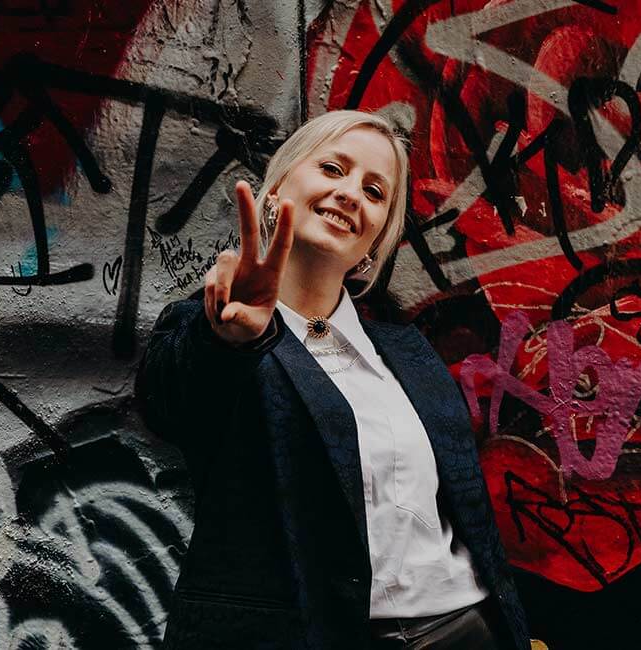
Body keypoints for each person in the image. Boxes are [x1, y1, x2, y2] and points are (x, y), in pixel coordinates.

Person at [135, 110, 529, 649]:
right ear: (277, 189)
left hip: (465, 627)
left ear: (374, 242)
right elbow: (171, 406)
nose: (350, 194)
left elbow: (466, 514)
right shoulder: (212, 330)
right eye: (332, 168)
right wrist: (230, 342)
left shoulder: (408, 352)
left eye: (374, 191)